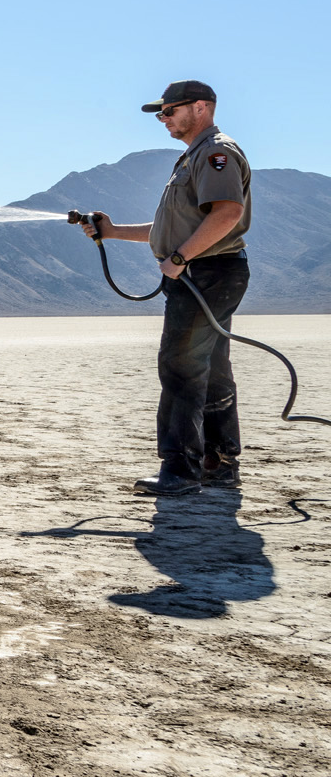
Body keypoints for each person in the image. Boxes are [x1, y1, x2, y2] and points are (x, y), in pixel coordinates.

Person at [78, 80, 250, 495]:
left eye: (170, 110)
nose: (163, 118)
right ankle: (218, 461)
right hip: (205, 272)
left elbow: (226, 214)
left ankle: (180, 469)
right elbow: (176, 228)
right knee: (209, 368)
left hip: (208, 273)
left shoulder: (214, 152)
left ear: (201, 108)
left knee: (181, 367)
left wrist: (179, 259)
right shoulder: (193, 158)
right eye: (161, 113)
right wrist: (115, 231)